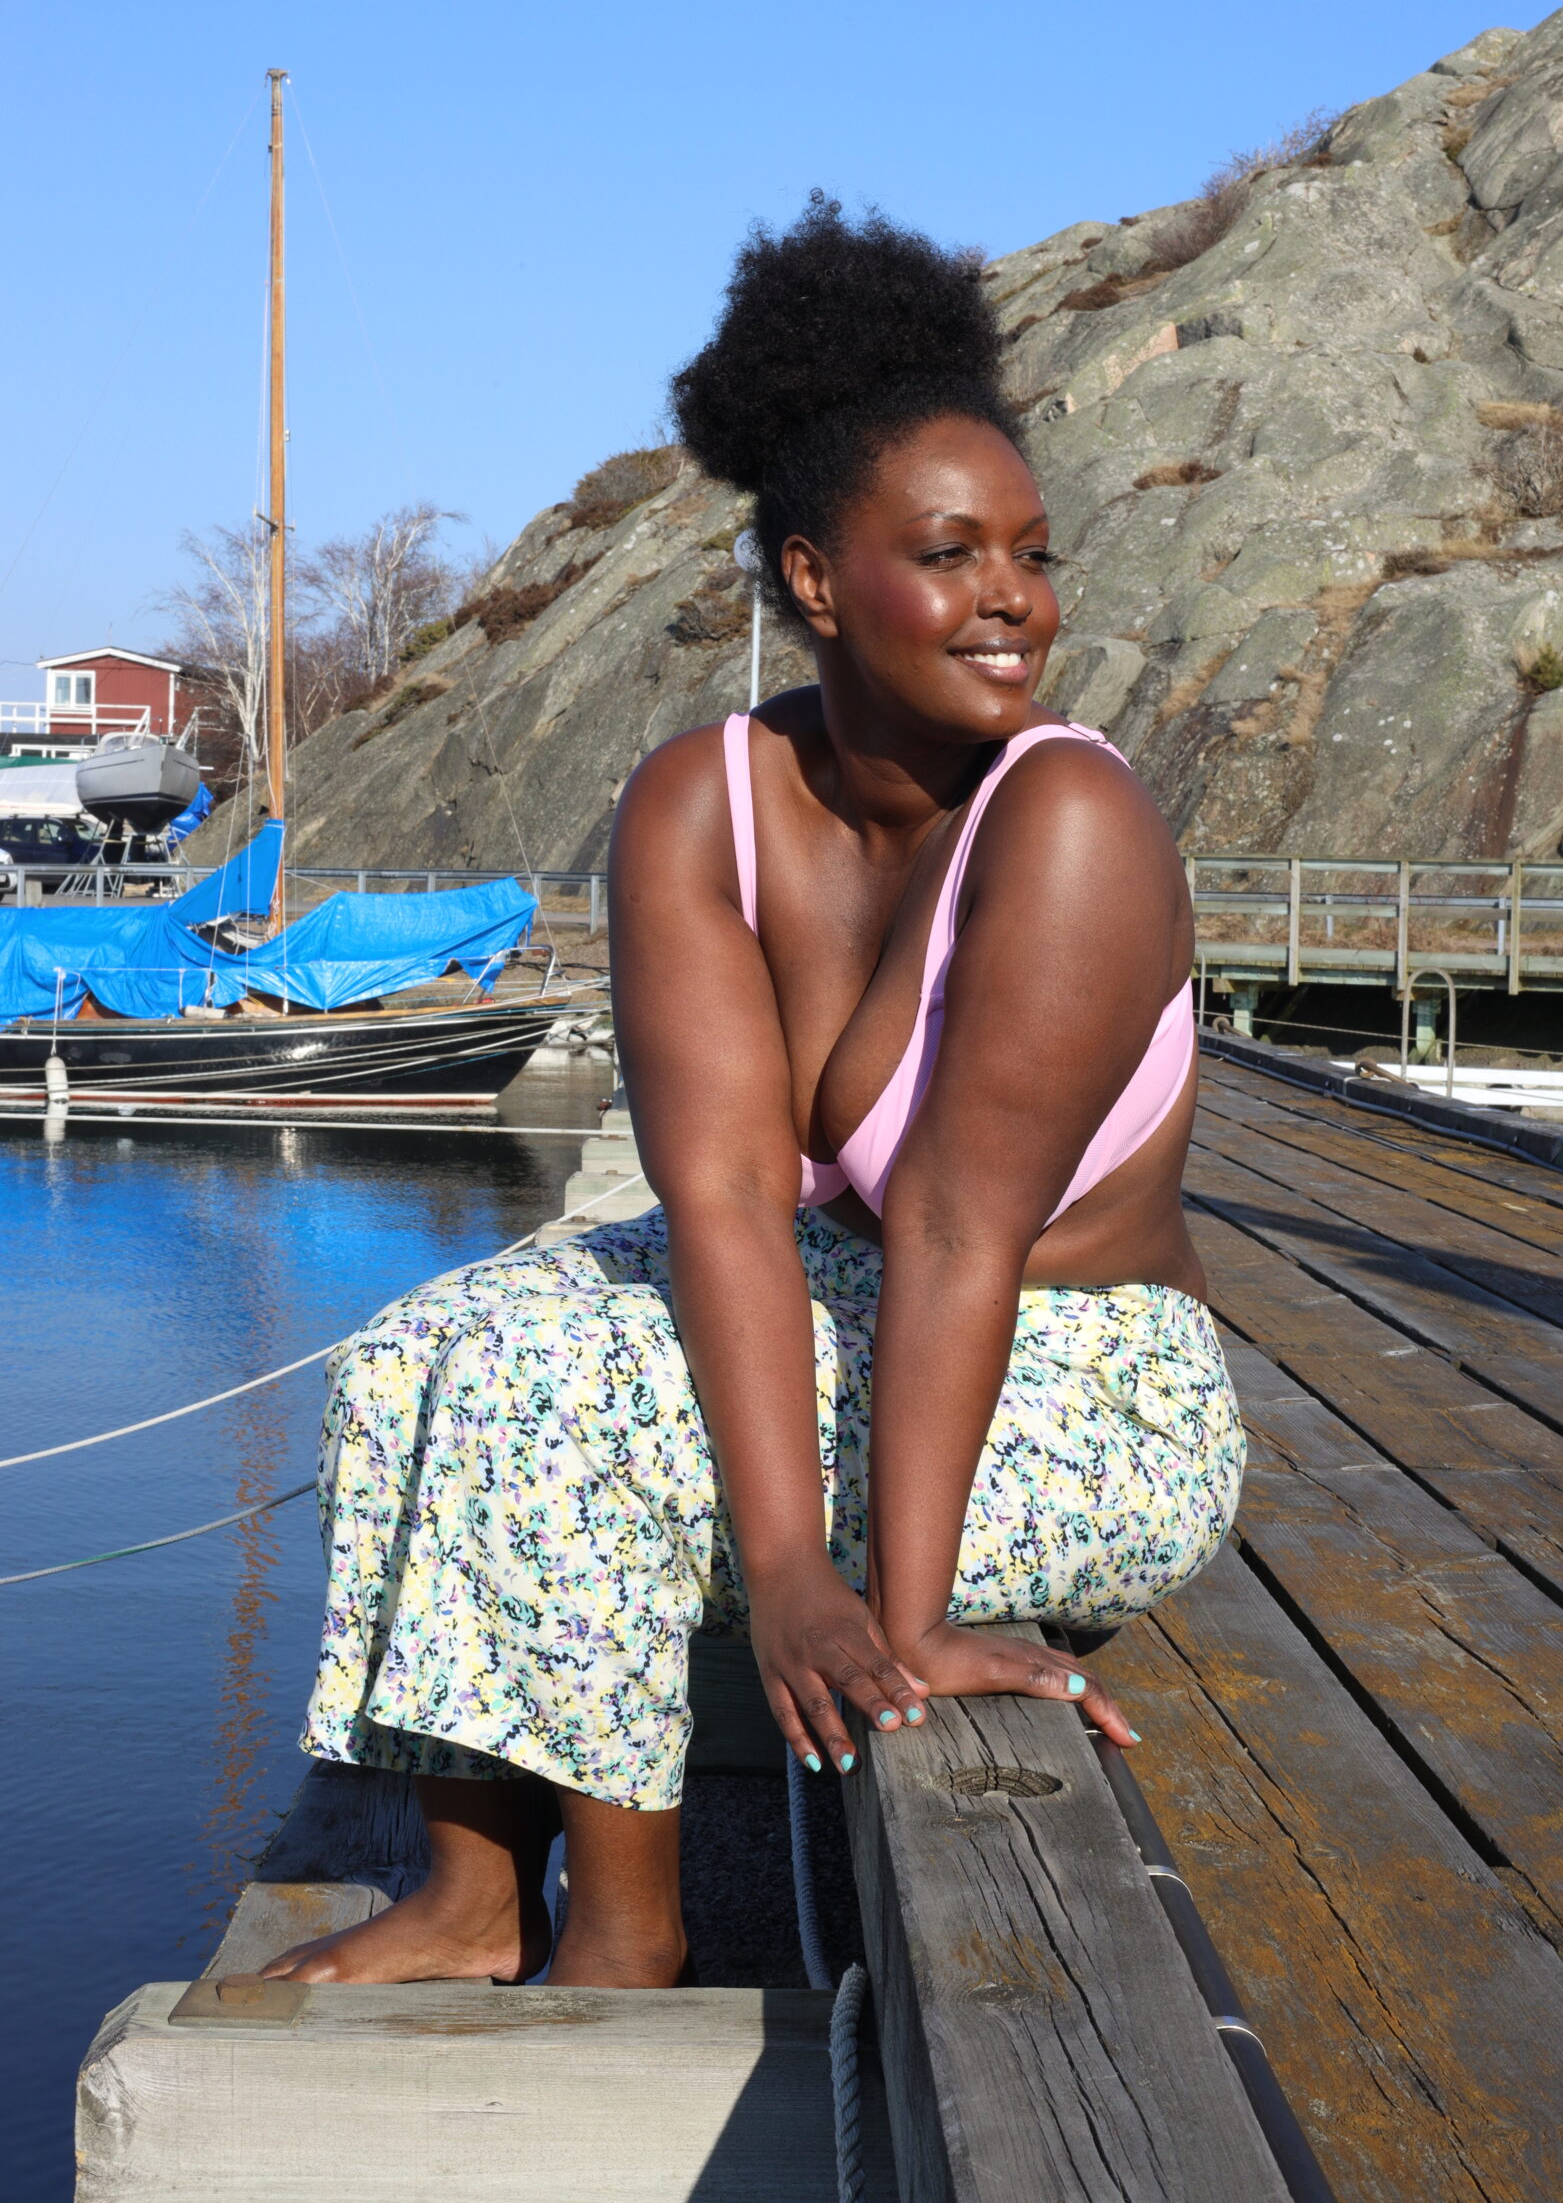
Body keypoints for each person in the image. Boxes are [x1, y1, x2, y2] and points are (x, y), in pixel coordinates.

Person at [264, 196, 1244, 1991]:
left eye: (1032, 553)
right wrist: (784, 1561)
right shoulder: (701, 801)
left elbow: (955, 1229)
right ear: (815, 579)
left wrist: (888, 1608)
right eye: (949, 553)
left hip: (1088, 1377)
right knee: (423, 1349)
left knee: (574, 1409)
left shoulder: (1070, 818)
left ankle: (626, 1936)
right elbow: (719, 1192)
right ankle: (478, 1894)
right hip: (869, 1309)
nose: (1013, 597)